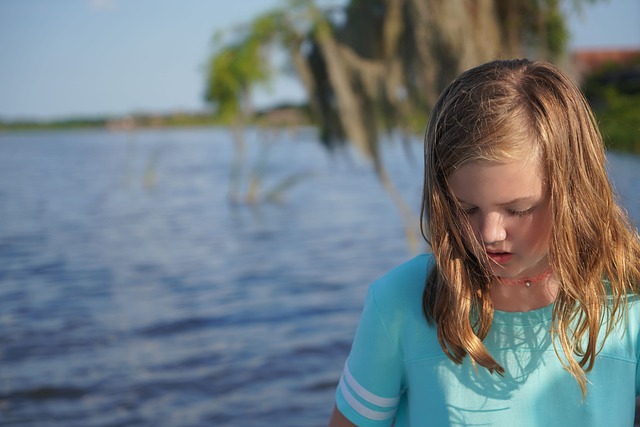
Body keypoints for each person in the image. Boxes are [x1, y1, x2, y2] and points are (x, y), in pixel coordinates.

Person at [328, 59, 640, 426]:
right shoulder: (399, 303)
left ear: (575, 192)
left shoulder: (629, 298)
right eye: (466, 208)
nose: (489, 234)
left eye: (519, 209)